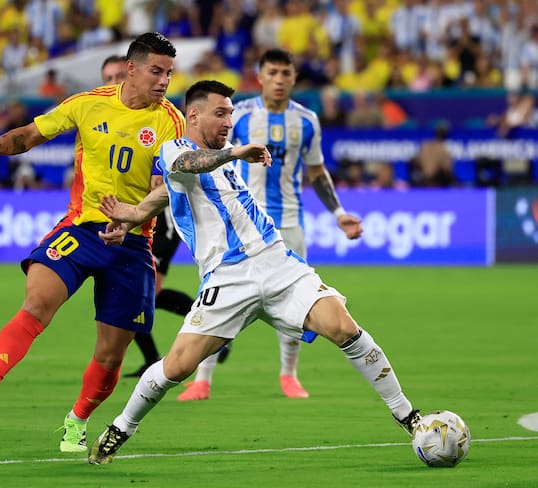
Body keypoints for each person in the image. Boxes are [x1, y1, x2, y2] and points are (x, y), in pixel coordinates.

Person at [88, 80, 420, 465]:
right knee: (177, 366)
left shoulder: (220, 158)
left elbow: (171, 192)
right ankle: (121, 427)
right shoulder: (178, 148)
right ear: (193, 115)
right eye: (221, 112)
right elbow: (184, 167)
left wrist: (133, 214)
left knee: (345, 327)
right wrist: (235, 152)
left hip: (278, 262)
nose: (230, 120)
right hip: (228, 278)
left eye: (231, 112)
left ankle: (409, 417)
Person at [0, 32, 186, 454]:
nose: (164, 81)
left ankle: (77, 420)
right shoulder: (88, 103)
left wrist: (133, 220)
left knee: (112, 356)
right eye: (157, 71)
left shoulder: (170, 120)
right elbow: (28, 136)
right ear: (131, 69)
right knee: (36, 304)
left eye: (169, 73)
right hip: (81, 229)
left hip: (132, 244)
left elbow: (160, 189)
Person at [177, 48, 355, 401]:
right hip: (239, 224)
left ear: (293, 78)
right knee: (214, 300)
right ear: (260, 76)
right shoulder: (237, 115)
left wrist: (338, 213)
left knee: (299, 300)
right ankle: (202, 379)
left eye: (285, 73)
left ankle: (289, 375)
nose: (278, 79)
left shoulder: (307, 121)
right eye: (272, 72)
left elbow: (317, 172)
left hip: (288, 222)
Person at [98, 51, 196, 378]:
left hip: (158, 219)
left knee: (146, 291)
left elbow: (161, 173)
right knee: (136, 292)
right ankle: (155, 356)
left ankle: (208, 322)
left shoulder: (160, 118)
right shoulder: (103, 118)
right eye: (108, 78)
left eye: (117, 76)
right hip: (125, 218)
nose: (113, 83)